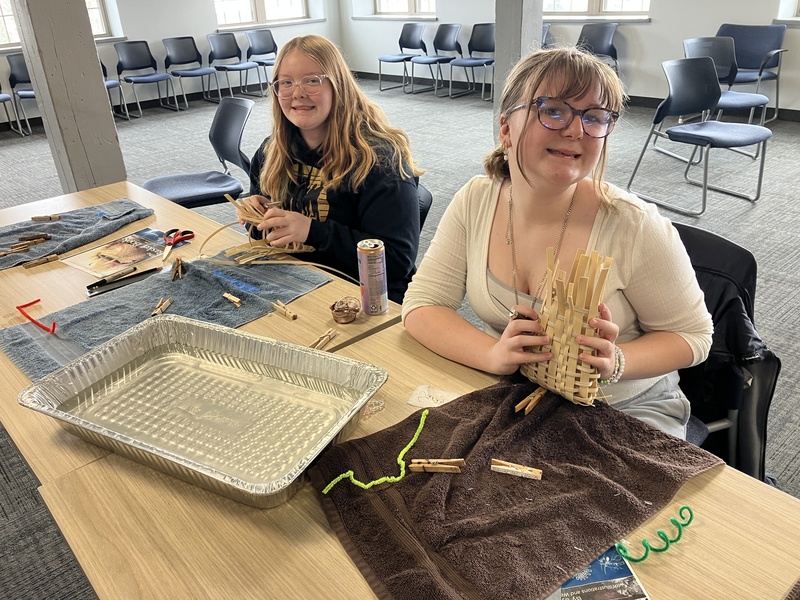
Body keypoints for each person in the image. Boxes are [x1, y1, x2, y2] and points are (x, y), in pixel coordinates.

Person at [402, 47, 713, 439]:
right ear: (506, 128)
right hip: (524, 396)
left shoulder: (634, 225)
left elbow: (694, 337)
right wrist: (493, 354)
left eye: (594, 117)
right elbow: (423, 305)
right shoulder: (477, 199)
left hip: (624, 410)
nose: (575, 130)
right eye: (552, 109)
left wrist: (616, 360)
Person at [240, 34, 423, 304]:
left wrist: (311, 232)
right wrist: (259, 217)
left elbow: (396, 261)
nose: (298, 93)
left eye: (313, 80)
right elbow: (265, 237)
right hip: (295, 283)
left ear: (338, 85)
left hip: (364, 298)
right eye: (286, 82)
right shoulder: (272, 151)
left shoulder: (381, 161)